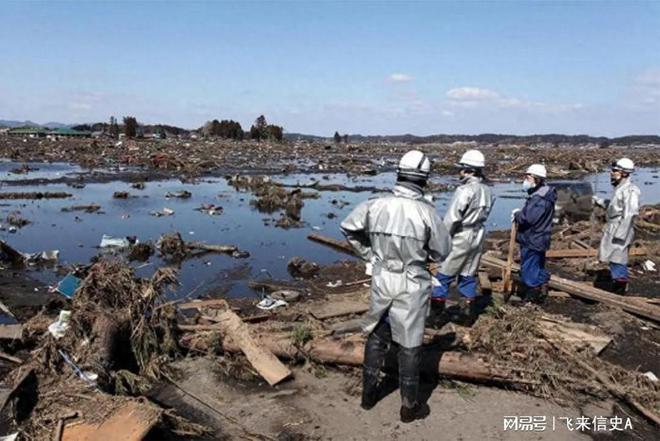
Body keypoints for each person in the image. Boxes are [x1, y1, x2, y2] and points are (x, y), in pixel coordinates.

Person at [340, 150, 450, 423]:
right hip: (412, 281)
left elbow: (348, 228)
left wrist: (369, 254)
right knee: (410, 343)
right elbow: (442, 252)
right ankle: (409, 406)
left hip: (382, 277)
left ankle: (368, 396)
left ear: (399, 174)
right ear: (423, 179)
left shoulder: (375, 204)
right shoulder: (427, 213)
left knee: (378, 333)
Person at [430, 150, 494, 324]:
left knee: (443, 275)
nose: (459, 172)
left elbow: (452, 218)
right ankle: (467, 316)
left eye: (462, 169)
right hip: (479, 234)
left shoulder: (464, 190)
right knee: (468, 275)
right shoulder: (487, 190)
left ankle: (435, 317)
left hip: (462, 235)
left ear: (469, 170)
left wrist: (440, 240)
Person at [593, 158, 640, 295]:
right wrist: (599, 201)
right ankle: (617, 283)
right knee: (613, 258)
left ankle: (619, 289)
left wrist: (621, 234)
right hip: (614, 226)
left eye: (615, 171)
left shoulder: (631, 191)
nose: (612, 173)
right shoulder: (620, 188)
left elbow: (630, 213)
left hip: (620, 227)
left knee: (618, 257)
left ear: (624, 173)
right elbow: (615, 207)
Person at [511, 164, 556, 303]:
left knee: (529, 270)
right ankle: (542, 288)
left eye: (527, 177)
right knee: (538, 266)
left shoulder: (539, 198)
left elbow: (528, 218)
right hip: (540, 237)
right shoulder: (544, 194)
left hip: (533, 238)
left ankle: (531, 299)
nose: (525, 180)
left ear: (536, 179)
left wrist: (517, 214)